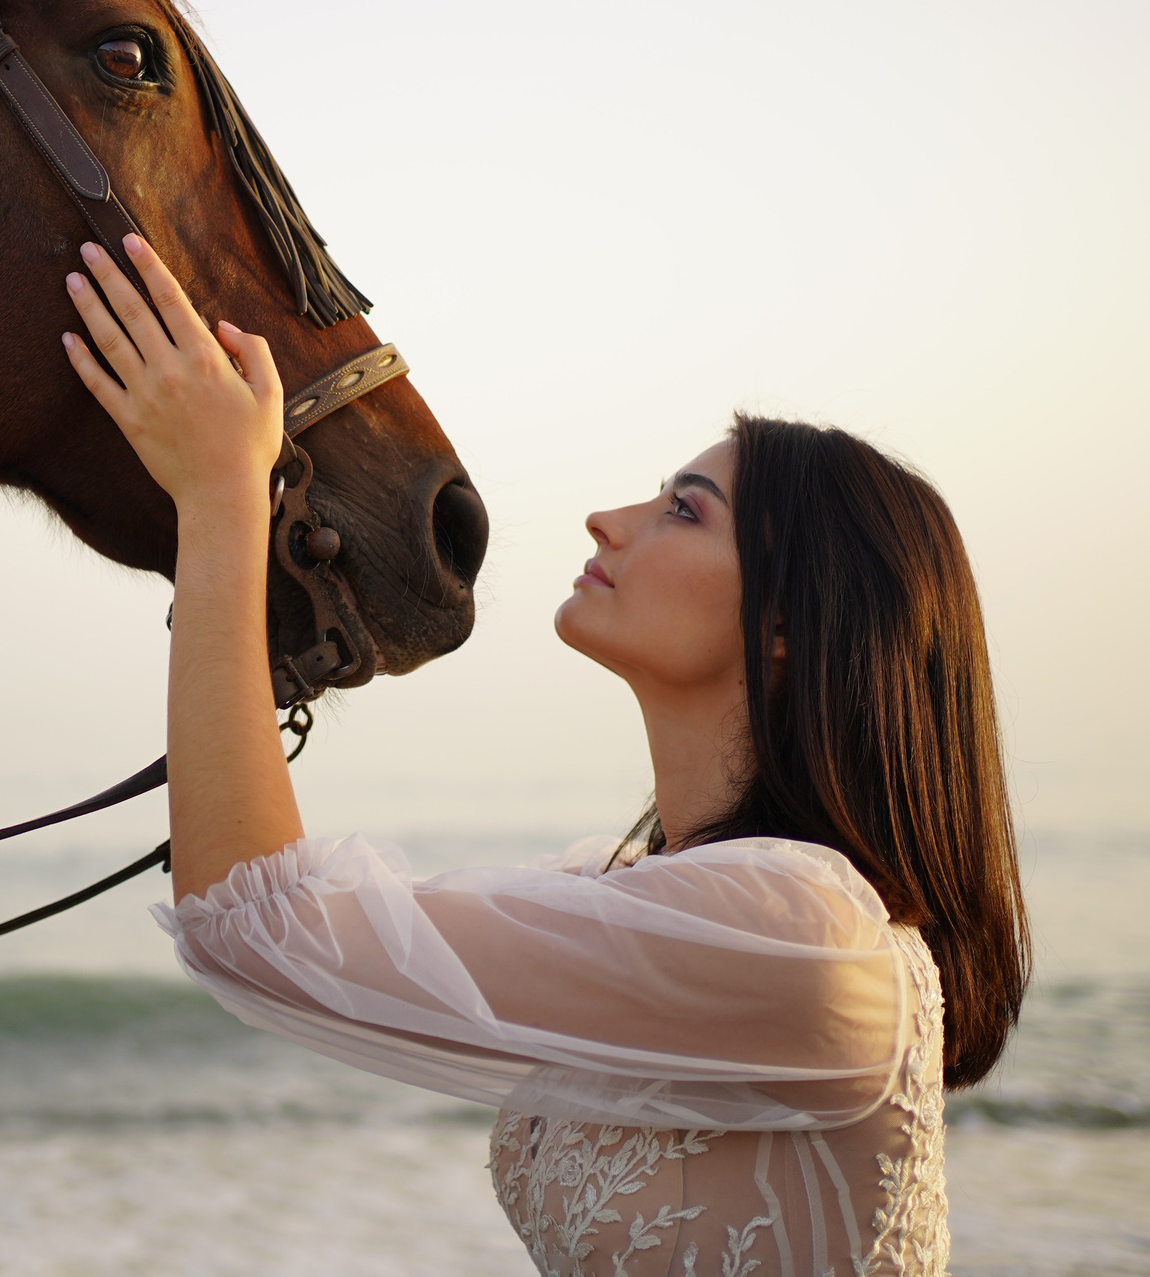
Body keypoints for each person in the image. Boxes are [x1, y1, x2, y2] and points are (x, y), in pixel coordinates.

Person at [59, 236, 1027, 1277]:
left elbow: (263, 927)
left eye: (683, 510)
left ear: (789, 622)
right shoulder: (647, 895)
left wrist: (218, 496)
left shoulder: (803, 925)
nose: (607, 518)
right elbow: (287, 920)